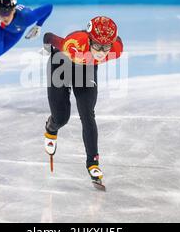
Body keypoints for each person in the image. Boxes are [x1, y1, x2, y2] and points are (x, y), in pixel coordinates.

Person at [42, 16, 123, 187]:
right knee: (62, 118)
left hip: (86, 71)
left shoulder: (116, 48)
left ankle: (93, 163)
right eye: (97, 46)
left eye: (106, 47)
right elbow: (49, 37)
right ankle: (51, 127)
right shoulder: (73, 44)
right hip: (61, 64)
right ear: (89, 39)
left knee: (87, 114)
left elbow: (114, 43)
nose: (101, 52)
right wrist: (46, 45)